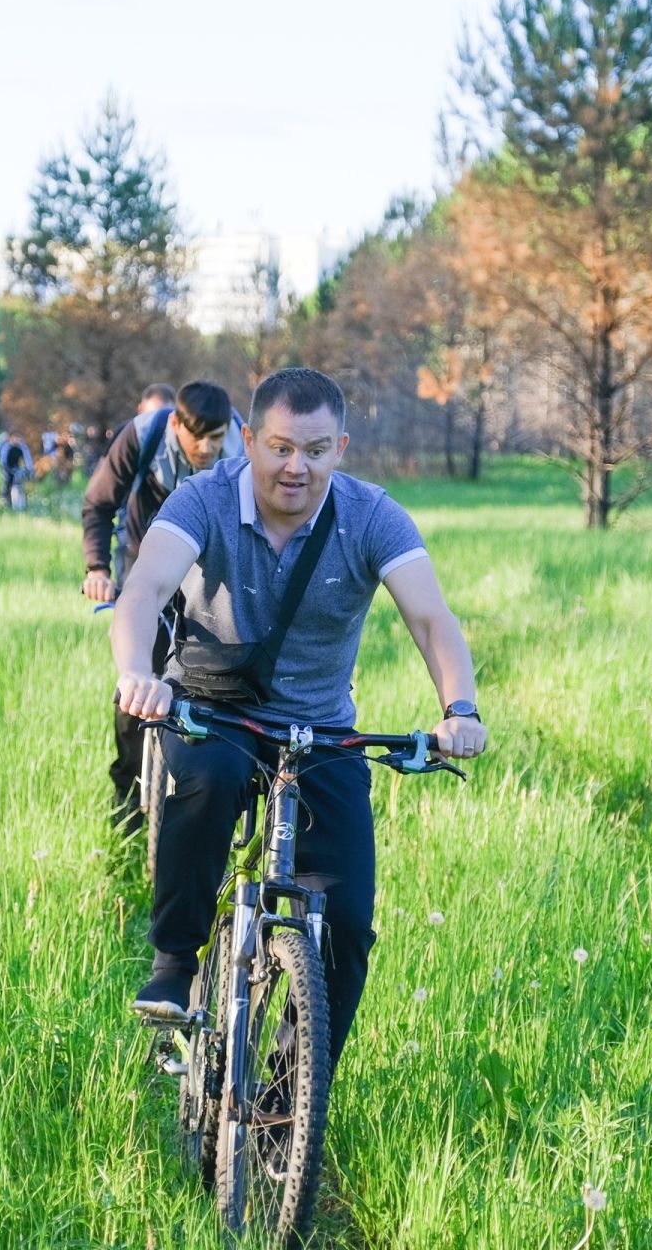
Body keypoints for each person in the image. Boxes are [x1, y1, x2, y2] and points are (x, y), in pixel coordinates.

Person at [111, 367, 487, 1069]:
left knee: (345, 924)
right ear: (249, 440)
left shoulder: (373, 515)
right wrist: (137, 672)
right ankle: (174, 956)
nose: (296, 467)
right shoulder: (204, 499)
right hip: (213, 710)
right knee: (209, 780)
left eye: (315, 450)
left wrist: (458, 707)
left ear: (339, 448)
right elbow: (143, 594)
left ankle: (290, 1094)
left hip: (320, 730)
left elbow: (433, 621)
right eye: (281, 447)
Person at [84, 381, 245, 834]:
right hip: (147, 573)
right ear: (176, 424)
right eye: (199, 438)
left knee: (222, 691)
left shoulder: (245, 450)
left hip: (211, 581)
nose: (208, 448)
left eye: (217, 438)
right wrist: (98, 568)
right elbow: (99, 504)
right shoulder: (142, 436)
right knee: (138, 687)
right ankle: (129, 807)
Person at [0, 430, 33, 510]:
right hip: (6, 467)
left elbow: (27, 459)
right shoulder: (6, 446)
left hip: (16, 467)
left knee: (19, 483)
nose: (18, 441)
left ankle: (20, 503)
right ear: (11, 438)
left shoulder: (22, 447)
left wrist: (29, 469)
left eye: (19, 439)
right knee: (7, 481)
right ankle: (5, 499)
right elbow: (3, 459)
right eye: (16, 438)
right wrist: (6, 469)